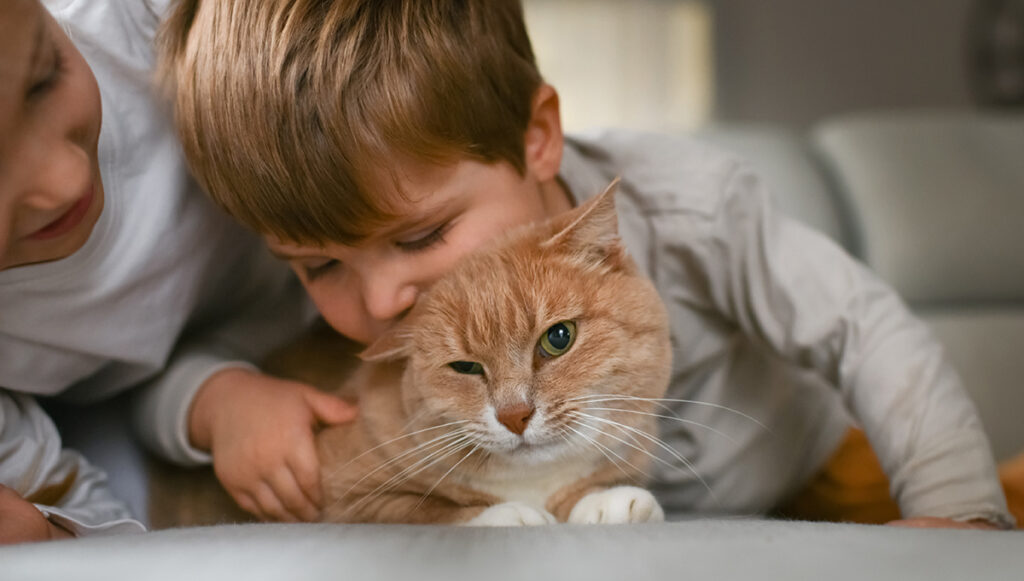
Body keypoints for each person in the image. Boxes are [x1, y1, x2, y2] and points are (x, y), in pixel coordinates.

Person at [156, 0, 1019, 529]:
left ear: (536, 140)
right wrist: (214, 400)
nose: (382, 297)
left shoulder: (690, 203)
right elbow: (192, 353)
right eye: (317, 270)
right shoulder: (359, 275)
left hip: (809, 465)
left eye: (419, 239)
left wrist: (959, 513)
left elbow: (860, 325)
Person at [0, 0, 356, 545]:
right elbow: (91, 515)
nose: (68, 178)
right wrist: (47, 538)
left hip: (360, 227)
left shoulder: (133, 18)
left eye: (45, 78)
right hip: (192, 378)